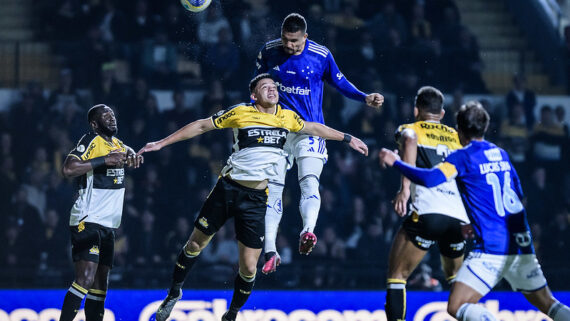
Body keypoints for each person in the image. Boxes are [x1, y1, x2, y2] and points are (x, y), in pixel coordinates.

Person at [137, 73, 368, 321]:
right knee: (194, 245)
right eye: (265, 87)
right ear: (254, 95)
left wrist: (348, 137)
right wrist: (161, 143)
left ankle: (232, 313)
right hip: (227, 189)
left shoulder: (287, 117)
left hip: (257, 199)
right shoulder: (240, 112)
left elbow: (314, 127)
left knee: (248, 268)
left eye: (274, 87)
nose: (272, 89)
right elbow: (202, 125)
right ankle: (174, 293)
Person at [379, 101, 570, 321]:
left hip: (492, 249)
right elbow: (516, 197)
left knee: (457, 305)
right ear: (485, 127)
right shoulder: (502, 154)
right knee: (550, 304)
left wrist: (396, 162)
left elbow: (430, 179)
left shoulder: (464, 157)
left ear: (459, 130)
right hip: (522, 245)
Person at [255, 13, 384, 273]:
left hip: (310, 129)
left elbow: (339, 81)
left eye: (294, 41)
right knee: (273, 189)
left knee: (309, 181)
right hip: (277, 128)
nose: (289, 45)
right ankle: (270, 250)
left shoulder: (321, 55)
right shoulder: (269, 51)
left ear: (305, 37)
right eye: (285, 40)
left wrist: (363, 97)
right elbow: (256, 86)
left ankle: (308, 231)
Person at [385, 86, 469, 321]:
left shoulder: (409, 129)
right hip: (458, 216)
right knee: (456, 280)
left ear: (415, 110)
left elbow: (410, 143)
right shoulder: (457, 137)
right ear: (442, 114)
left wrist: (404, 190)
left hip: (428, 212)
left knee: (397, 275)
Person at [59, 104, 143, 321]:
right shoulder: (90, 140)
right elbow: (68, 169)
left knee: (100, 284)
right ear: (95, 124)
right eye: (105, 116)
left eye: (113, 114)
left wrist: (133, 154)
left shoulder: (116, 143)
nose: (112, 118)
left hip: (108, 225)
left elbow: (126, 150)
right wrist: (104, 161)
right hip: (87, 219)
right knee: (85, 279)